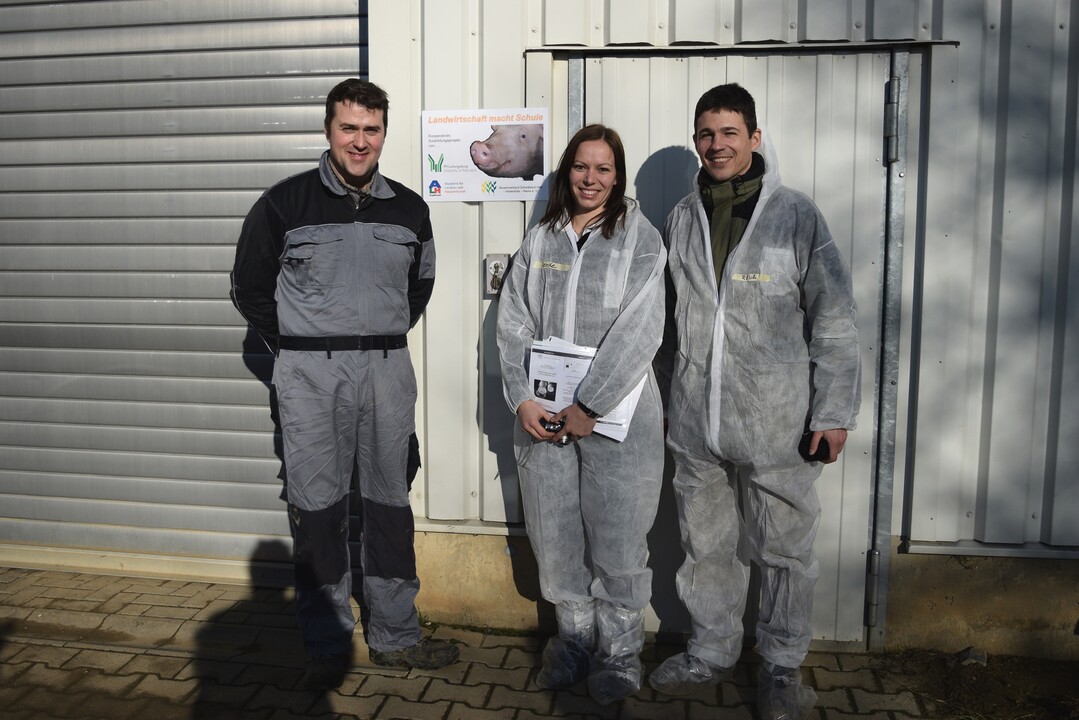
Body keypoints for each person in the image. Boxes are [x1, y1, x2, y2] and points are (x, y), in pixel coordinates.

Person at [230, 78, 458, 690]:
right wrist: (305, 344)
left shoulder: (409, 209)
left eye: (372, 129)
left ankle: (395, 635)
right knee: (318, 507)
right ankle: (327, 640)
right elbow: (247, 290)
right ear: (328, 131)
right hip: (310, 375)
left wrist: (371, 336)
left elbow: (419, 289)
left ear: (384, 132)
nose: (360, 142)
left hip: (386, 372)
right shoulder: (283, 205)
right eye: (349, 128)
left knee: (388, 504)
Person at [651, 83, 861, 720]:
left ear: (754, 138)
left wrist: (832, 412)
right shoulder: (681, 217)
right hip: (696, 416)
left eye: (729, 133)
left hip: (778, 422)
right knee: (705, 542)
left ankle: (780, 667)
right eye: (707, 134)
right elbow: (668, 318)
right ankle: (712, 650)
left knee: (784, 549)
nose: (717, 145)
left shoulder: (795, 215)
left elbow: (834, 319)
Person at [496, 125, 666, 705]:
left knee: (619, 539)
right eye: (581, 168)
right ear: (567, 171)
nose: (590, 179)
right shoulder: (542, 238)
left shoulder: (639, 239)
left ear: (618, 177)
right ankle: (571, 641)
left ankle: (618, 654)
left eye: (603, 169)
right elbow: (513, 319)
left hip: (616, 419)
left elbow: (642, 330)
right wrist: (521, 395)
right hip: (545, 417)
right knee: (555, 533)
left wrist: (591, 404)